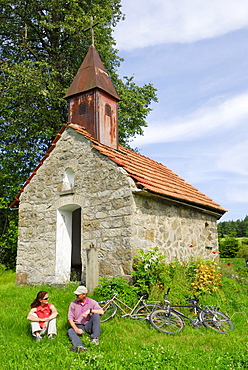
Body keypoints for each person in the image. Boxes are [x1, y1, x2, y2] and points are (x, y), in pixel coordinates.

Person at [67, 285, 104, 352]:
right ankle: (79, 346)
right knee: (70, 331)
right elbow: (70, 318)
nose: (76, 296)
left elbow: (101, 311)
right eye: (76, 294)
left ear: (84, 295)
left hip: (88, 325)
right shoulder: (73, 303)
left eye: (78, 295)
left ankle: (95, 338)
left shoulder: (92, 302)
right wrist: (76, 329)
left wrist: (90, 310)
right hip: (77, 325)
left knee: (96, 315)